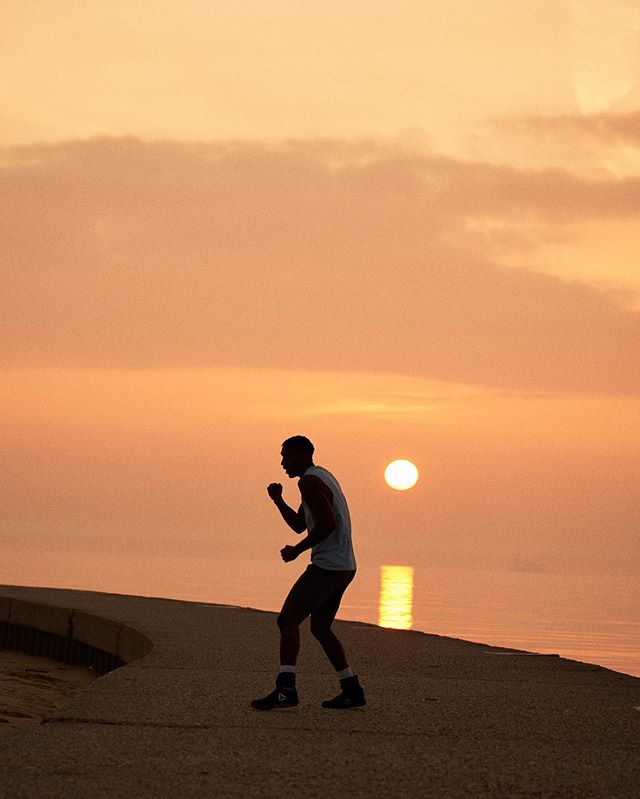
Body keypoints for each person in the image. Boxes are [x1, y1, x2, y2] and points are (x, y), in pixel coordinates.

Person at [251, 435, 366, 710]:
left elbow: (328, 523)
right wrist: (278, 501)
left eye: (287, 456)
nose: (282, 463)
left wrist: (297, 551)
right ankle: (352, 689)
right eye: (282, 457)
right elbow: (300, 525)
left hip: (327, 567)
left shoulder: (309, 481)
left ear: (304, 455)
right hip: (344, 566)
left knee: (287, 620)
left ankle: (285, 690)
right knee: (320, 628)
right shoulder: (320, 478)